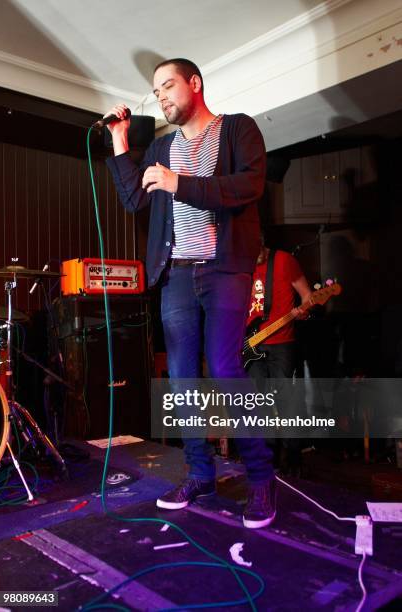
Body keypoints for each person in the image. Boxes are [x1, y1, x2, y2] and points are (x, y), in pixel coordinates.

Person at [105, 58, 275, 528]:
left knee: (223, 368)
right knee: (181, 379)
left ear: (194, 84)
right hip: (177, 273)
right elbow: (133, 197)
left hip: (224, 270)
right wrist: (121, 143)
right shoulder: (161, 146)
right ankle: (200, 473)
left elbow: (248, 185)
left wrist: (179, 183)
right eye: (155, 92)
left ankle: (261, 477)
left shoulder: (237, 130)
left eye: (168, 86)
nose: (161, 97)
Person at [246, 246, 312, 470]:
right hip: (250, 345)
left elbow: (308, 296)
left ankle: (293, 458)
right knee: (259, 402)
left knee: (287, 402)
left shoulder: (284, 260)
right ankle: (268, 459)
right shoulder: (238, 264)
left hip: (282, 343)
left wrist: (304, 310)